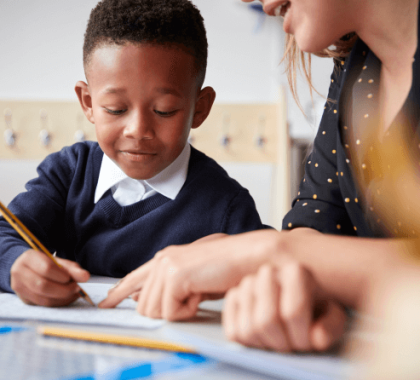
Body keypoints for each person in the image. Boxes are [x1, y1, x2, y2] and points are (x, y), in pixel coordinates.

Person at [100, 0, 420, 353]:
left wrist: (269, 253)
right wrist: (300, 290)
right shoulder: (354, 70)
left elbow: (297, 251)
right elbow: (316, 224)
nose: (266, 5)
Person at [0, 0, 269, 307]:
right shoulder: (68, 173)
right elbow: (5, 234)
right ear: (88, 102)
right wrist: (16, 265)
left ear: (200, 108)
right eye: (116, 109)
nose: (138, 130)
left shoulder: (227, 208)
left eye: (164, 111)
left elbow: (269, 272)